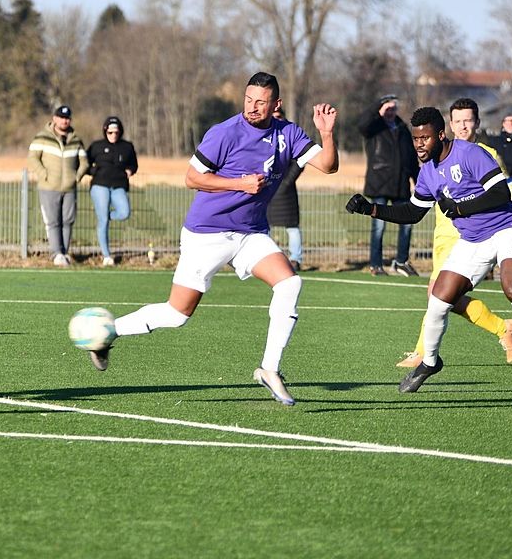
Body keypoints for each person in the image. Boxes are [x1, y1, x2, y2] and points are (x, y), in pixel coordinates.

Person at [76, 72, 339, 406]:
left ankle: (270, 370)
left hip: (250, 234)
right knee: (177, 314)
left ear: (277, 104)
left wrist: (327, 135)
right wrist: (238, 184)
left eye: (260, 101)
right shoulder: (225, 132)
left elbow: (328, 166)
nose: (252, 107)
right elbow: (191, 178)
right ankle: (107, 333)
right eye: (248, 99)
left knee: (290, 284)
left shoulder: (289, 133)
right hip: (207, 233)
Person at [346, 106, 512, 393]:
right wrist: (371, 209)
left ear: (441, 135)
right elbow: (411, 212)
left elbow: (501, 193)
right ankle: (430, 362)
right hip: (472, 241)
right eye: (416, 139)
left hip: (507, 228)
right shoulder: (427, 173)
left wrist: (460, 208)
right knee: (438, 300)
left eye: (426, 138)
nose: (419, 145)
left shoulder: (469, 153)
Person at [396, 98, 512, 368]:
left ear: (477, 122)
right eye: (458, 121)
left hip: (480, 233)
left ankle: (424, 354)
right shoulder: (434, 153)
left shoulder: (484, 152)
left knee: (438, 295)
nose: (463, 126)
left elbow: (508, 188)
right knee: (439, 297)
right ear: (448, 125)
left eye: (468, 120)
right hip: (446, 233)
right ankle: (501, 328)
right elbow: (421, 201)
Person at [357, 95, 419, 276]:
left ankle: (401, 262)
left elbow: (411, 159)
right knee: (379, 227)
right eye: (387, 109)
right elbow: (362, 123)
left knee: (407, 223)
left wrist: (419, 183)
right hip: (379, 185)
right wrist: (378, 106)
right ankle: (375, 265)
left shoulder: (403, 129)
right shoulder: (374, 128)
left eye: (393, 109)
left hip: (401, 185)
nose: (390, 112)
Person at [28, 105, 88, 266]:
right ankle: (56, 254)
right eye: (61, 117)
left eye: (67, 118)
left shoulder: (75, 139)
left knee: (68, 221)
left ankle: (64, 252)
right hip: (49, 187)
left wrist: (77, 176)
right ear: (54, 118)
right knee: (53, 222)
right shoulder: (42, 137)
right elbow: (32, 158)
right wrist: (44, 174)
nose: (64, 121)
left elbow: (84, 161)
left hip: (69, 188)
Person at [87, 115, 138, 267]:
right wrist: (92, 171)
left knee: (124, 213)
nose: (113, 135)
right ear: (105, 131)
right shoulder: (96, 146)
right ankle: (106, 255)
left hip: (118, 186)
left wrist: (130, 170)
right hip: (100, 185)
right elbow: (84, 163)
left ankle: (103, 214)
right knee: (103, 222)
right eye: (110, 132)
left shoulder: (127, 147)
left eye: (116, 132)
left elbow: (134, 164)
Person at [266, 106, 304, 270]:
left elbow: (300, 161)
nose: (276, 118)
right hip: (266, 187)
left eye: (279, 116)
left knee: (292, 226)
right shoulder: (264, 134)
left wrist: (286, 182)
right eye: (273, 116)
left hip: (286, 190)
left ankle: (295, 259)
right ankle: (266, 258)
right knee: (264, 226)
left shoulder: (292, 133)